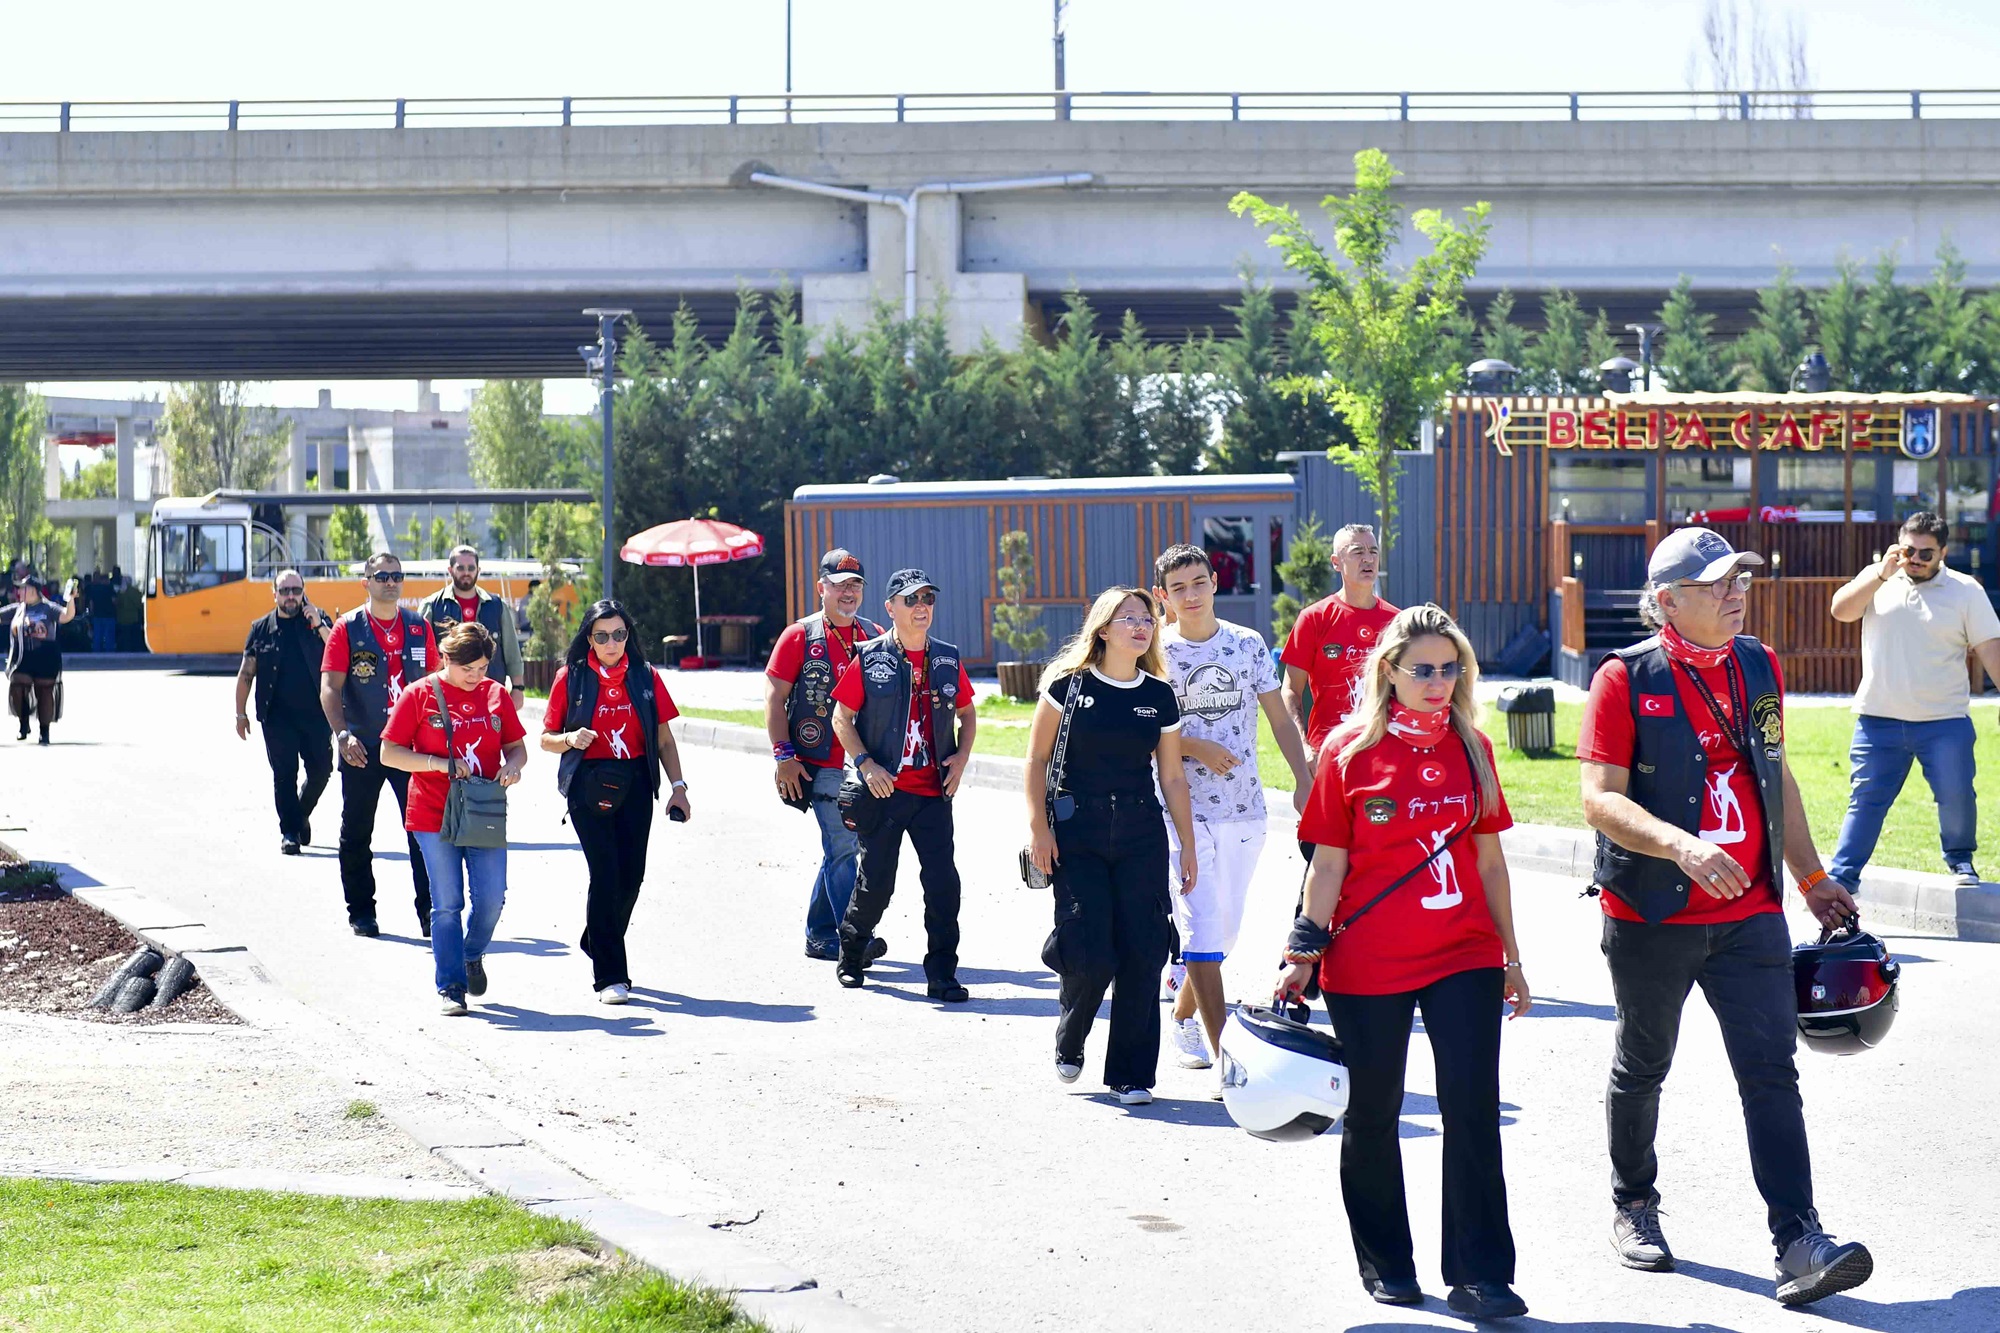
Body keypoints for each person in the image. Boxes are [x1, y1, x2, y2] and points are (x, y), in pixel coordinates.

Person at [1578, 526, 1872, 1308]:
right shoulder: (1624, 677)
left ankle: (1799, 1239)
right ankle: (1634, 1203)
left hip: (1751, 917)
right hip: (1652, 913)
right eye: (1715, 585)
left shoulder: (1758, 664)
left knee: (1772, 1073)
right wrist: (1681, 846)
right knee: (1644, 1064)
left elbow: (1775, 775)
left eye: (1738, 579)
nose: (1735, 592)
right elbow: (1598, 798)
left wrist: (1810, 876)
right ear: (1668, 601)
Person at [1275, 603, 1530, 1320]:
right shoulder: (1349, 751)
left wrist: (1512, 954)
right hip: (1367, 961)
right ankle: (1387, 1262)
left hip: (1465, 954)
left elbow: (1489, 860)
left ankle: (1481, 1271)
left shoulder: (1473, 746)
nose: (1439, 682)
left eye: (1451, 669)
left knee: (1473, 1110)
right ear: (1389, 670)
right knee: (1374, 1111)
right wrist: (1303, 949)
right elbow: (1328, 863)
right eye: (1424, 669)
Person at [1026, 586, 1198, 1106]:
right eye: (1129, 618)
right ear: (1103, 629)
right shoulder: (1069, 686)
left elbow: (1171, 776)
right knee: (1092, 951)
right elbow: (1035, 762)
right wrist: (1039, 828)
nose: (1142, 626)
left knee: (1144, 952)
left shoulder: (1159, 694)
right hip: (1077, 833)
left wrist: (1185, 845)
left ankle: (1131, 1075)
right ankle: (1071, 1035)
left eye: (1147, 618)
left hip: (1141, 832)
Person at [1151, 543, 1312, 1072]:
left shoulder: (1246, 645)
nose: (1191, 595)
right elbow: (1144, 729)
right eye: (1178, 588)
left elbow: (1281, 720)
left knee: (1227, 930)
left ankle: (1179, 1012)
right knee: (1200, 926)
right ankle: (1227, 1060)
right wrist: (1194, 747)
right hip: (1181, 810)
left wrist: (1303, 777)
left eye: (1198, 583)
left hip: (1244, 808)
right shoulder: (1156, 651)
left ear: (1214, 582)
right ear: (1165, 596)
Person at [1827, 511, 2000, 890]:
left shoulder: (1966, 590)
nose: (1916, 560)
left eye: (1926, 553)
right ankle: (1842, 878)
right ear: (1898, 546)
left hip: (1945, 721)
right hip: (1878, 719)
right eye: (1909, 550)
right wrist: (1878, 574)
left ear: (1943, 552)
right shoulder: (1878, 579)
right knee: (1865, 801)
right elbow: (1841, 611)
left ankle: (1960, 860)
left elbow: (1990, 649)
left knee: (1957, 796)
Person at [829, 568, 977, 1002]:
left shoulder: (947, 658)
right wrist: (866, 764)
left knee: (944, 886)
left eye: (927, 599)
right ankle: (852, 954)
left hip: (934, 793)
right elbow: (841, 717)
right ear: (890, 608)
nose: (921, 607)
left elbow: (967, 714)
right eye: (910, 600)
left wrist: (962, 757)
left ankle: (942, 975)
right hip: (884, 792)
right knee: (877, 883)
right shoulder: (870, 655)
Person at [541, 600, 691, 1004]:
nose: (611, 643)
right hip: (587, 785)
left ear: (629, 635)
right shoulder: (570, 678)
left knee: (632, 877)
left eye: (619, 634)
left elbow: (662, 738)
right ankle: (610, 976)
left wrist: (679, 787)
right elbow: (546, 738)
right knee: (605, 874)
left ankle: (597, 935)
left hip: (636, 783)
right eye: (602, 635)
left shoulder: (645, 676)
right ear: (589, 638)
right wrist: (571, 739)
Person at [380, 622, 528, 1015]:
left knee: (492, 899)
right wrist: (437, 763)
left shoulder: (496, 694)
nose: (476, 677)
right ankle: (450, 986)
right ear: (446, 659)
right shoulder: (419, 694)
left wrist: (513, 767)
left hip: (483, 811)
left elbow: (517, 749)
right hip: (432, 812)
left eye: (482, 668)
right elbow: (389, 753)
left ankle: (471, 953)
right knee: (446, 903)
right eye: (469, 669)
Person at [766, 548, 884, 960]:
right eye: (839, 585)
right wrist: (784, 756)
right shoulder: (798, 635)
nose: (848, 593)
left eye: (855, 585)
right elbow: (774, 697)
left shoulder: (874, 634)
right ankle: (856, 934)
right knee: (843, 846)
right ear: (822, 588)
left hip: (862, 763)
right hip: (817, 763)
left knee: (840, 848)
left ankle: (820, 934)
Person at [321, 552, 438, 939]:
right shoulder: (347, 628)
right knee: (356, 831)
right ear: (366, 582)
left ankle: (431, 913)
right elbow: (329, 689)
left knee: (423, 833)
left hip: (410, 749)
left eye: (396, 575)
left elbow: (436, 685)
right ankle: (362, 911)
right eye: (382, 575)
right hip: (363, 746)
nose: (390, 582)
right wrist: (342, 734)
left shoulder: (419, 627)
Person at [235, 570, 336, 854]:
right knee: (284, 774)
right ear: (275, 594)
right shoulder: (261, 628)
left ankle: (300, 812)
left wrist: (318, 625)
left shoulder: (319, 619)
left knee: (321, 770)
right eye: (285, 591)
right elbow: (246, 673)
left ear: (303, 591)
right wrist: (240, 713)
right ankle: (289, 832)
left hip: (317, 714)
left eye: (296, 590)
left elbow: (338, 651)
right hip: (277, 716)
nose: (291, 596)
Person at [1281, 523, 1401, 753]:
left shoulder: (1396, 621)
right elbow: (1290, 690)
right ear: (1336, 562)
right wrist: (1303, 747)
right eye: (1358, 552)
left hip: (1383, 750)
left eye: (1373, 552)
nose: (1368, 559)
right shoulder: (1314, 618)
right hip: (1328, 752)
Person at [415, 545, 528, 714]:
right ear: (450, 570)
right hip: (445, 698)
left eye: (471, 568)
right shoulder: (432, 606)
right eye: (460, 568)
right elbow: (420, 654)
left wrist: (518, 688)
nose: (466, 572)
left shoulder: (496, 606)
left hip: (490, 696)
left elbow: (512, 651)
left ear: (478, 570)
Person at [3, 569, 75, 746]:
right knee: (17, 687)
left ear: (34, 591)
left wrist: (72, 599)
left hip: (45, 655)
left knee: (44, 692)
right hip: (23, 656)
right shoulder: (17, 609)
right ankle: (24, 722)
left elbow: (67, 616)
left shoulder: (48, 608)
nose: (19, 592)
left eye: (23, 589)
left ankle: (44, 732)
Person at [87, 570, 117, 654]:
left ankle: (96, 652)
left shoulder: (94, 589)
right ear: (107, 580)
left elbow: (91, 603)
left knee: (97, 635)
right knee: (109, 636)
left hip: (97, 615)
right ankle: (109, 652)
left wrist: (92, 613)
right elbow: (114, 601)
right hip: (109, 615)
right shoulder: (110, 588)